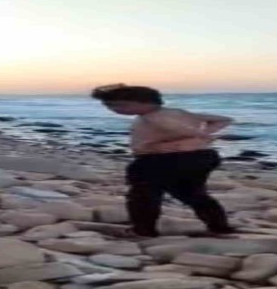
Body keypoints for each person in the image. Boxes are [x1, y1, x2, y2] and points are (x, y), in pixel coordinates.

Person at [92, 84, 235, 238]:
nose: (115, 109)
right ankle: (219, 227)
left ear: (146, 102)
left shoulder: (153, 117)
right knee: (193, 193)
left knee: (143, 194)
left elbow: (177, 129)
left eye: (120, 105)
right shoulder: (177, 113)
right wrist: (201, 134)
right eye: (109, 106)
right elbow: (224, 120)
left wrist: (197, 135)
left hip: (161, 159)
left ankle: (143, 230)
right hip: (202, 156)